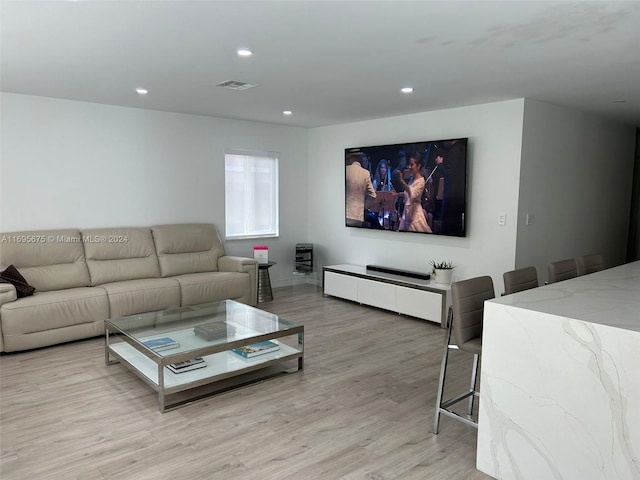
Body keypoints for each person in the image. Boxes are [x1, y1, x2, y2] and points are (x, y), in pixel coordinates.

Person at [396, 152, 431, 233]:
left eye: (412, 165)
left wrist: (402, 180)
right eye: (409, 164)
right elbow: (407, 193)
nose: (409, 167)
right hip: (407, 212)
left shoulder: (421, 181)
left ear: (418, 166)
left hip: (415, 214)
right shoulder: (412, 179)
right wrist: (396, 194)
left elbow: (412, 193)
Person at [345, 150, 376, 227]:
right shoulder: (365, 173)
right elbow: (373, 195)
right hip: (359, 215)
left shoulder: (345, 170)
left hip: (346, 213)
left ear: (350, 158)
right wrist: (364, 207)